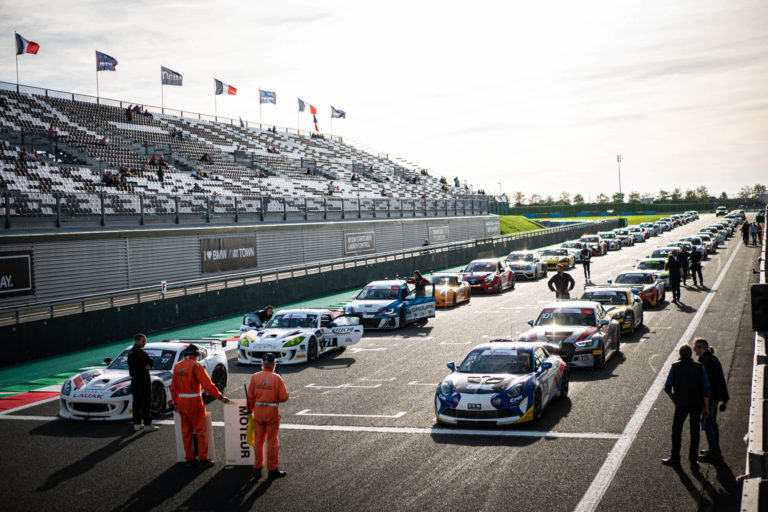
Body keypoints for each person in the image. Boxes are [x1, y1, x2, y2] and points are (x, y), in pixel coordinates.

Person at [170, 344, 230, 469]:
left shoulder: (177, 366)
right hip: (194, 402)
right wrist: (220, 397)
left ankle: (190, 458)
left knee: (186, 432)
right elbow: (208, 385)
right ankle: (203, 459)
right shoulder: (196, 366)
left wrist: (176, 403)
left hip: (181, 402)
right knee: (200, 431)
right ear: (196, 355)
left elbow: (173, 387)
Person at [662, 344, 710, 473]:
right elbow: (706, 389)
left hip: (681, 404)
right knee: (695, 432)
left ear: (680, 354)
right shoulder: (699, 367)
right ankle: (693, 461)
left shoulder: (675, 367)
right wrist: (706, 407)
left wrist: (674, 400)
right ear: (691, 354)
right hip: (696, 404)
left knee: (677, 430)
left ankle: (675, 458)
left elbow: (667, 387)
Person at [247, 353, 289, 479]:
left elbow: (250, 397)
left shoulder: (255, 377)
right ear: (273, 364)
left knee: (258, 441)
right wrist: (286, 393)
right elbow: (283, 398)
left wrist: (249, 411)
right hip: (271, 412)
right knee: (272, 441)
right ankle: (272, 469)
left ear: (262, 364)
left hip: (258, 412)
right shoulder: (277, 378)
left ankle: (258, 468)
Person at [693, 338, 729, 463]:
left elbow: (705, 384)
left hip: (710, 398)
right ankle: (715, 449)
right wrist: (725, 397)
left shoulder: (704, 361)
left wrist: (704, 401)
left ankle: (713, 453)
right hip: (717, 396)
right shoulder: (714, 358)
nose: (694, 349)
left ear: (701, 348)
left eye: (696, 347)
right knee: (713, 423)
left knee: (707, 424)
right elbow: (721, 379)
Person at [127, 333, 158, 432]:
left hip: (134, 380)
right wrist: (148, 365)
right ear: (137, 341)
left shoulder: (130, 352)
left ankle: (137, 423)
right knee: (146, 402)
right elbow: (151, 361)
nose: (145, 343)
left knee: (136, 402)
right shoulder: (141, 353)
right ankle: (147, 425)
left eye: (145, 341)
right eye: (143, 341)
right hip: (143, 380)